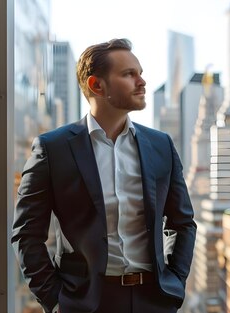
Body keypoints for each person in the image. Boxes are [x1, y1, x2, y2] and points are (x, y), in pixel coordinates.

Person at [11, 38, 196, 313]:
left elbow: (182, 223)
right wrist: (56, 300)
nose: (142, 81)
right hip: (85, 303)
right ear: (97, 85)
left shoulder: (161, 146)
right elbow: (27, 234)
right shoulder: (53, 149)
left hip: (153, 301)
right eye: (129, 74)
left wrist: (175, 282)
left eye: (140, 73)